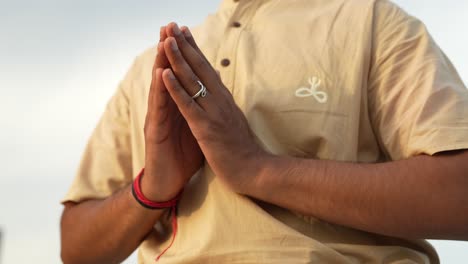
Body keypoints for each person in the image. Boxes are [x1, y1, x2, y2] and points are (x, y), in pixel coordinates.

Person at [60, 0, 468, 263]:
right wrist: (152, 188)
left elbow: (459, 197)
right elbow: (76, 248)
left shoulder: (372, 22)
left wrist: (258, 169)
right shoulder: (151, 65)